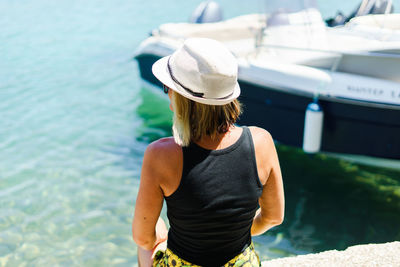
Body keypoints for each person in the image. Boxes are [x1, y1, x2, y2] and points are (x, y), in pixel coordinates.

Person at [132, 38, 284, 267]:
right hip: (241, 263)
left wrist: (159, 240)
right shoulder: (261, 142)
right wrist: (233, 231)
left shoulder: (160, 154)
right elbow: (273, 217)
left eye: (168, 89)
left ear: (181, 100)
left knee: (151, 237)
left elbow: (143, 238)